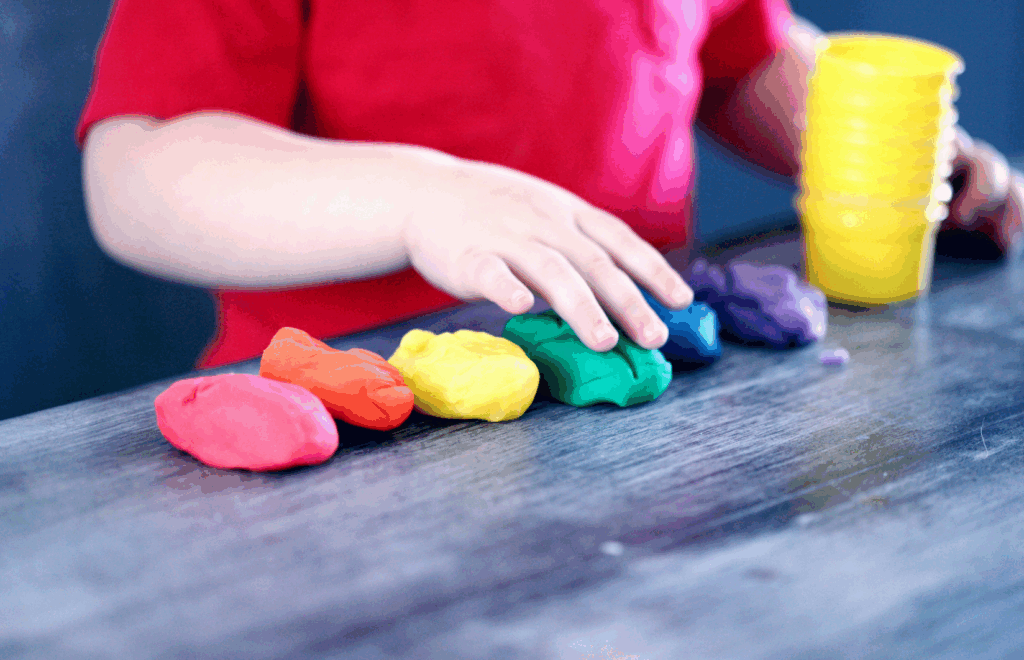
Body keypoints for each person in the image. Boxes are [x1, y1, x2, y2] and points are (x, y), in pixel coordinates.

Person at [77, 0, 1023, 370]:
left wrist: (899, 150)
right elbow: (138, 170)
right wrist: (419, 200)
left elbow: (740, 59)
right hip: (344, 419)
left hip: (641, 396)